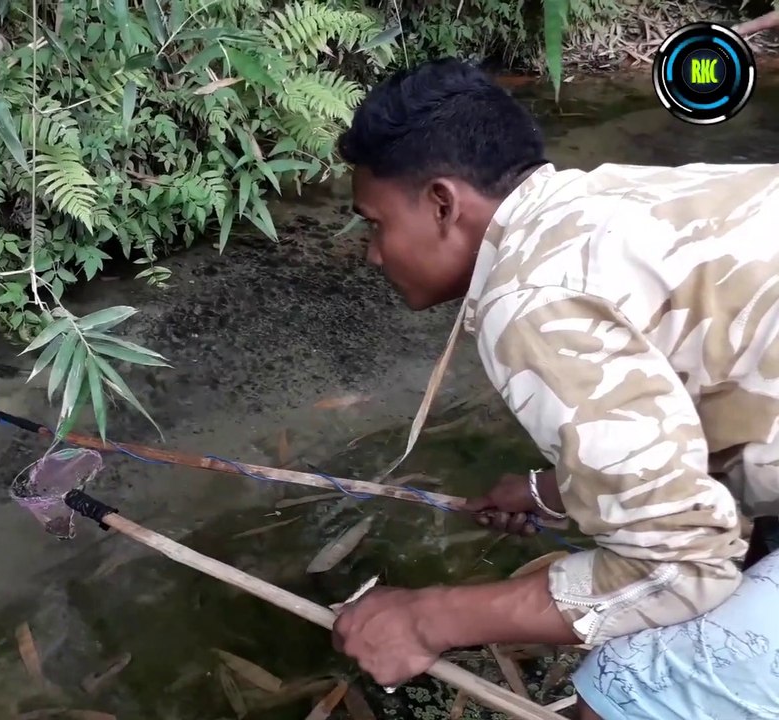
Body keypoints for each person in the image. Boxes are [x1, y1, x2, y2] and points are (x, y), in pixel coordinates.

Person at [328, 57, 779, 720]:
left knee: (626, 687)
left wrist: (427, 619)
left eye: (375, 223)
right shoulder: (606, 199)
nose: (373, 253)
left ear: (443, 204)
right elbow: (724, 396)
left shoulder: (530, 300)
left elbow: (683, 567)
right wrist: (556, 491)